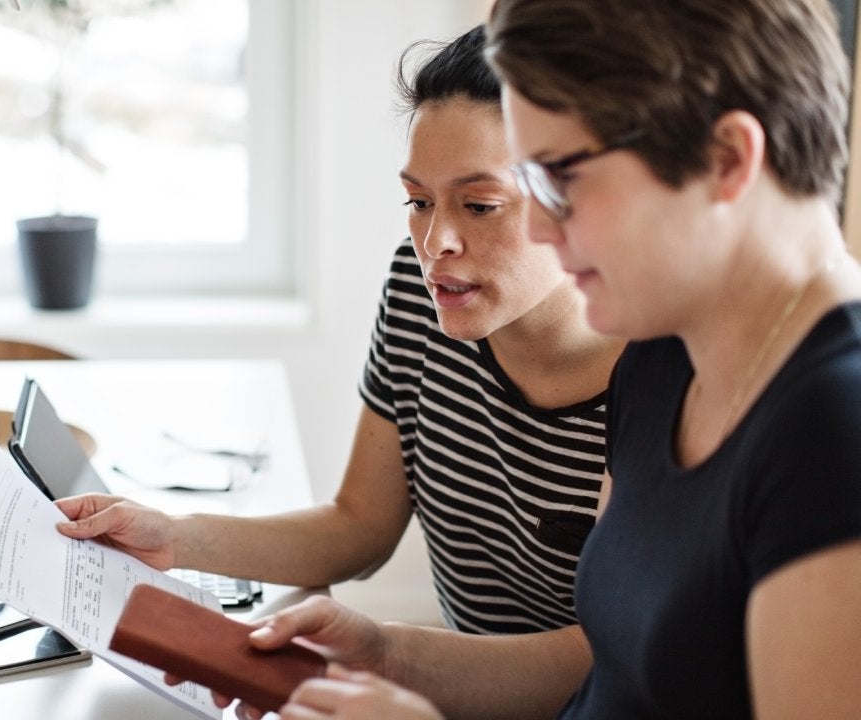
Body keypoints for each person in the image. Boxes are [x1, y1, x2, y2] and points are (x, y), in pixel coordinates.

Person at [212, 1, 861, 718]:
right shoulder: (661, 358)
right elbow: (606, 671)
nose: (543, 227)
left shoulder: (836, 426)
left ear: (728, 159)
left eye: (563, 178)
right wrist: (387, 656)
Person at [56, 24, 625, 635]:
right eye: (419, 202)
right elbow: (360, 526)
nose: (436, 244)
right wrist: (174, 536)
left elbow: (608, 664)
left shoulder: (657, 367)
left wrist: (383, 658)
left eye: (479, 205)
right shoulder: (421, 287)